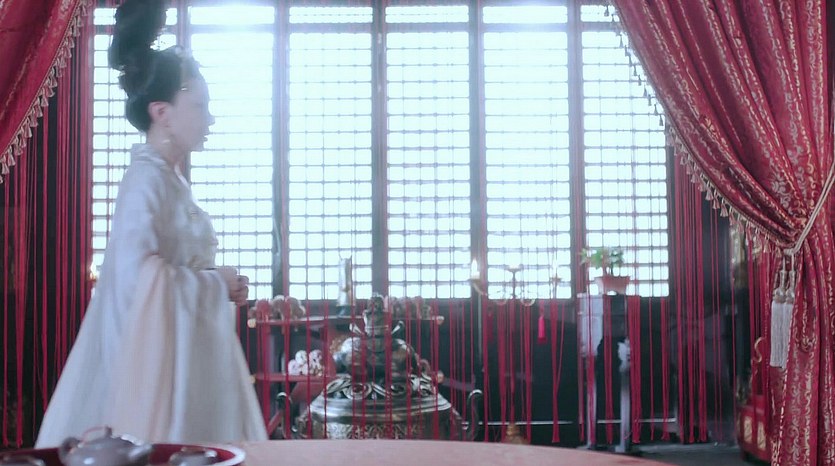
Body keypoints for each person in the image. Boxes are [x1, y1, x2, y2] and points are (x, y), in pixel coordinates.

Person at [36, 0, 267, 446]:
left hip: (188, 361)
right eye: (199, 105)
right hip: (153, 373)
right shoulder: (144, 181)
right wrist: (214, 283)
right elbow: (140, 281)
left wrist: (219, 284)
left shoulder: (170, 181)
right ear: (162, 112)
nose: (209, 118)